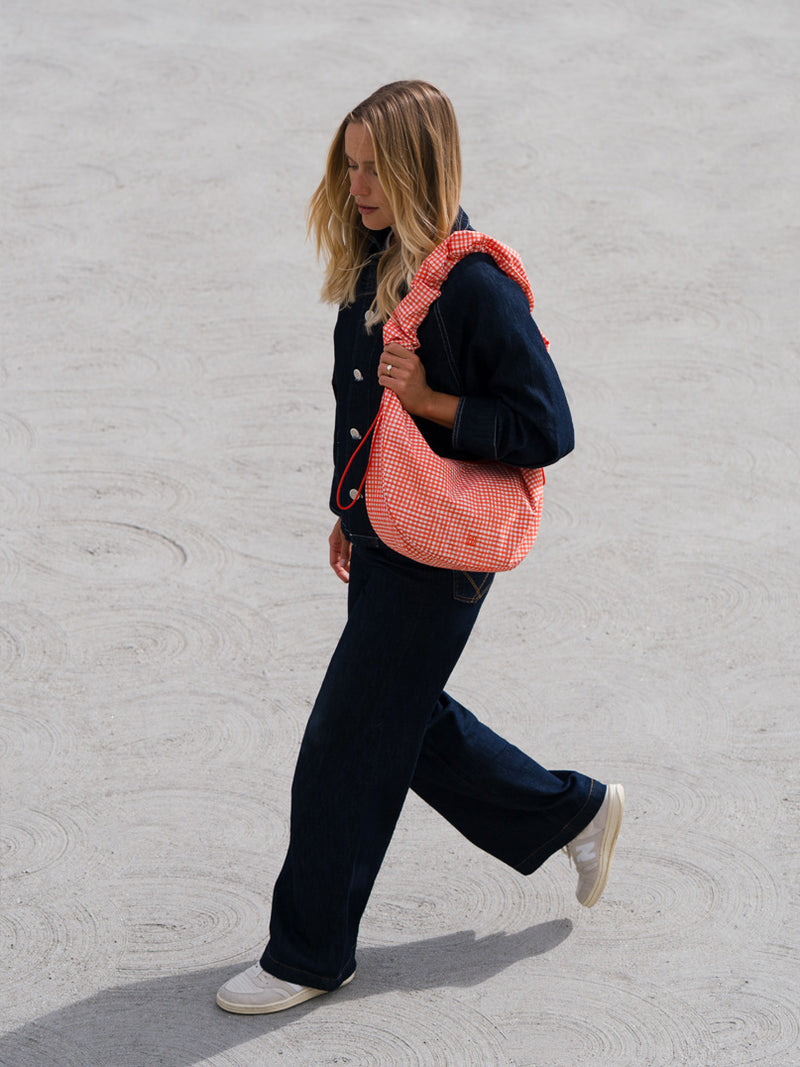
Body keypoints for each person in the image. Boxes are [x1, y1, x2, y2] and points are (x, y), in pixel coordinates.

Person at [216, 80, 624, 1015]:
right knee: (402, 719)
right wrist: (352, 505)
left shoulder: (474, 286)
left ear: (419, 169)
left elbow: (548, 425)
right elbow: (363, 403)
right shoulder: (378, 261)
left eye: (374, 169)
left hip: (442, 556)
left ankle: (309, 952)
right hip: (386, 531)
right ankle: (573, 812)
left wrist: (435, 400)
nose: (357, 186)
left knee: (344, 740)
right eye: (349, 166)